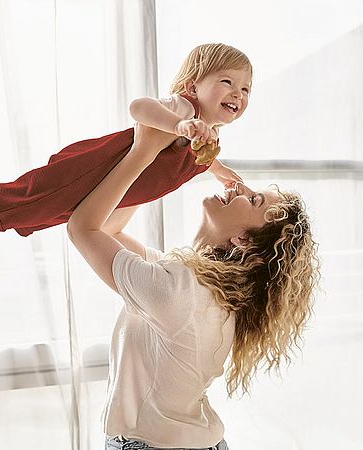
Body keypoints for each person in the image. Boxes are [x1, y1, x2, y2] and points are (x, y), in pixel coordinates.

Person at [66, 114, 320, 449]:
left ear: (244, 241)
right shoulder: (197, 286)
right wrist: (157, 161)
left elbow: (82, 227)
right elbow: (109, 231)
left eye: (254, 199)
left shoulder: (179, 290)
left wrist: (144, 152)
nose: (240, 187)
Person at [0, 43, 251, 237]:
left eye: (246, 89)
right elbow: (139, 108)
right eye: (227, 81)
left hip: (113, 192)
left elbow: (198, 157)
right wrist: (180, 124)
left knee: (49, 214)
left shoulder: (206, 137)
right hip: (94, 169)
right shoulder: (183, 110)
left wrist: (219, 171)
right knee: (34, 197)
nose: (238, 93)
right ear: (193, 87)